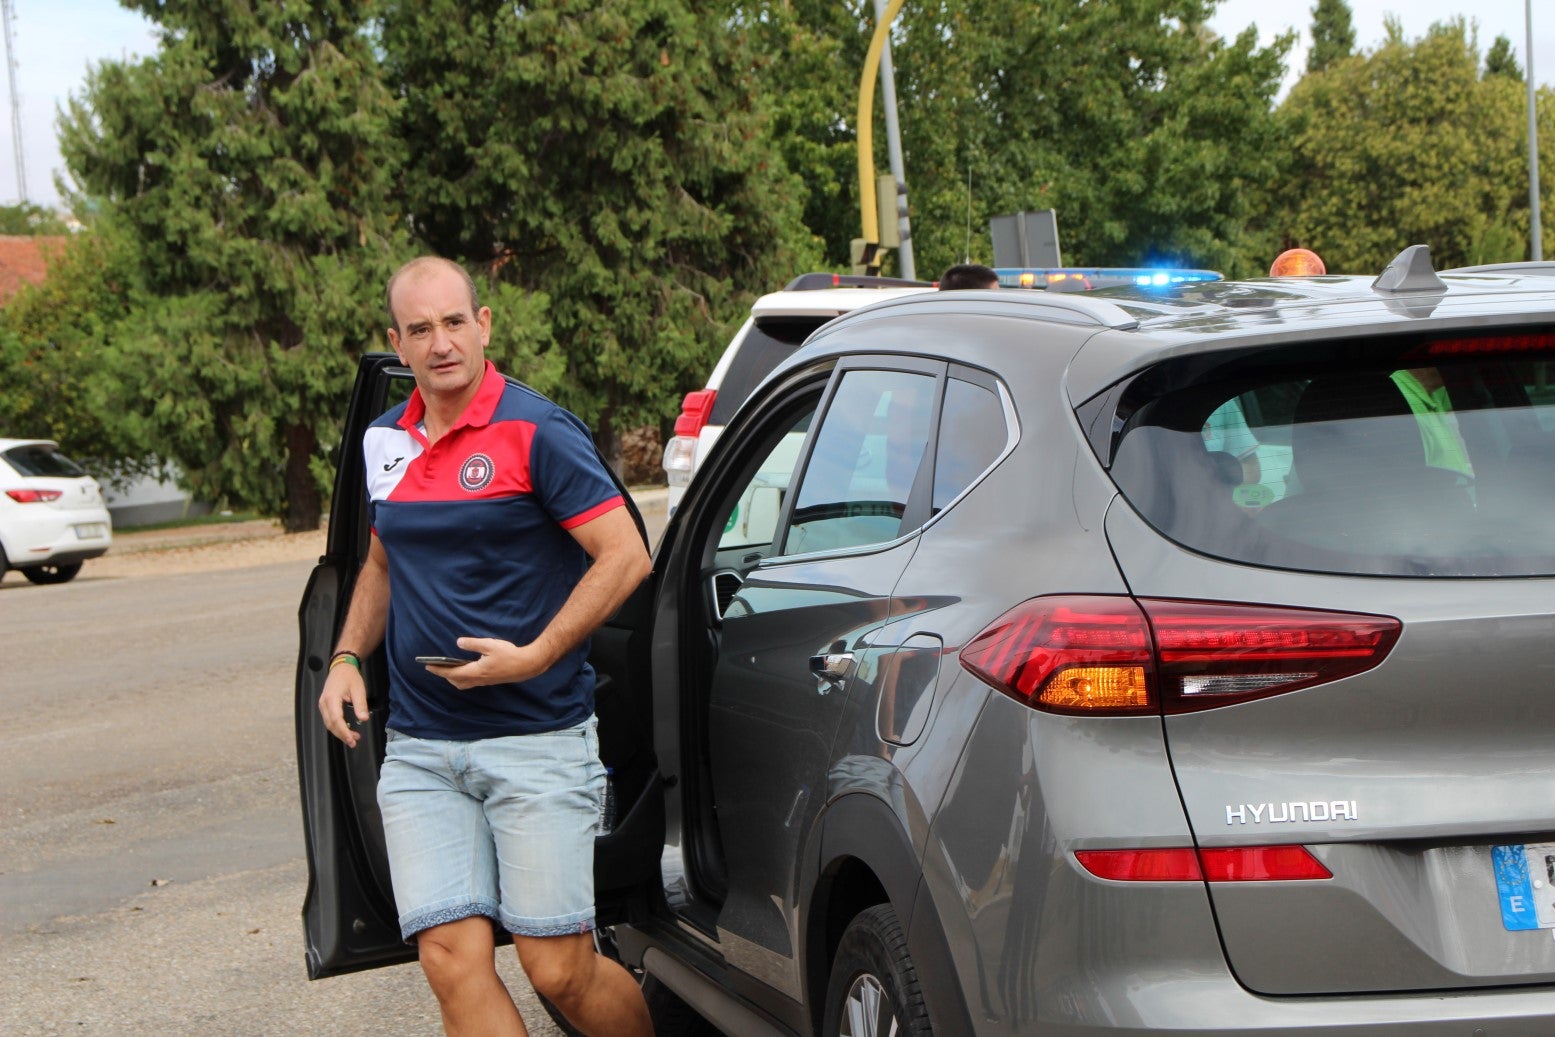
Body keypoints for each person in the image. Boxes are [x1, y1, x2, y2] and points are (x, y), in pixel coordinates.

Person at [318, 255, 655, 1037]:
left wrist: (537, 653)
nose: (441, 343)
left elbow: (625, 555)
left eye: (454, 322)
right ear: (396, 343)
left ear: (484, 325)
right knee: (448, 959)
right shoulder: (384, 439)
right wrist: (345, 657)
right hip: (421, 748)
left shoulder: (537, 430)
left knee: (557, 968)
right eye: (420, 329)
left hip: (536, 738)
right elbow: (381, 562)